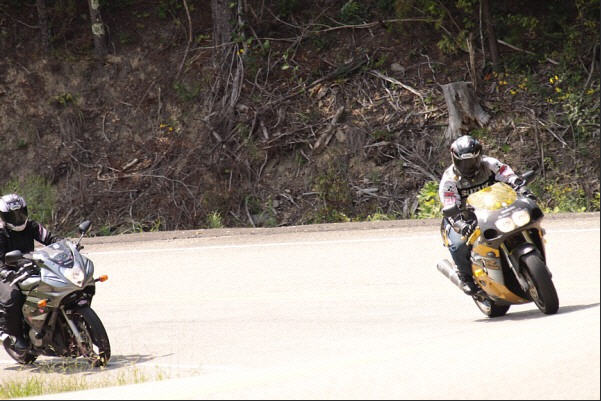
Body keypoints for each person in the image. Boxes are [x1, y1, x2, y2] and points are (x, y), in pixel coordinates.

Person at [438, 135, 534, 295]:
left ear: (479, 157)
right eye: (463, 162)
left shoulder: (490, 164)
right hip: (463, 218)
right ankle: (465, 277)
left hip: (494, 210)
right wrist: (460, 224)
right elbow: (449, 203)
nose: (468, 166)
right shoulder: (449, 180)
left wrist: (521, 187)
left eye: (472, 161)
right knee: (459, 244)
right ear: (454, 159)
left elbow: (508, 175)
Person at [0, 193, 61, 354]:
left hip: (28, 266)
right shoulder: (1, 232)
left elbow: (51, 239)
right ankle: (15, 336)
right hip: (6, 273)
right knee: (13, 298)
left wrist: (66, 245)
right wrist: (4, 270)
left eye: (20, 213)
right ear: (4, 216)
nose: (18, 217)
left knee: (54, 284)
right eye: (13, 215)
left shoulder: (32, 226)